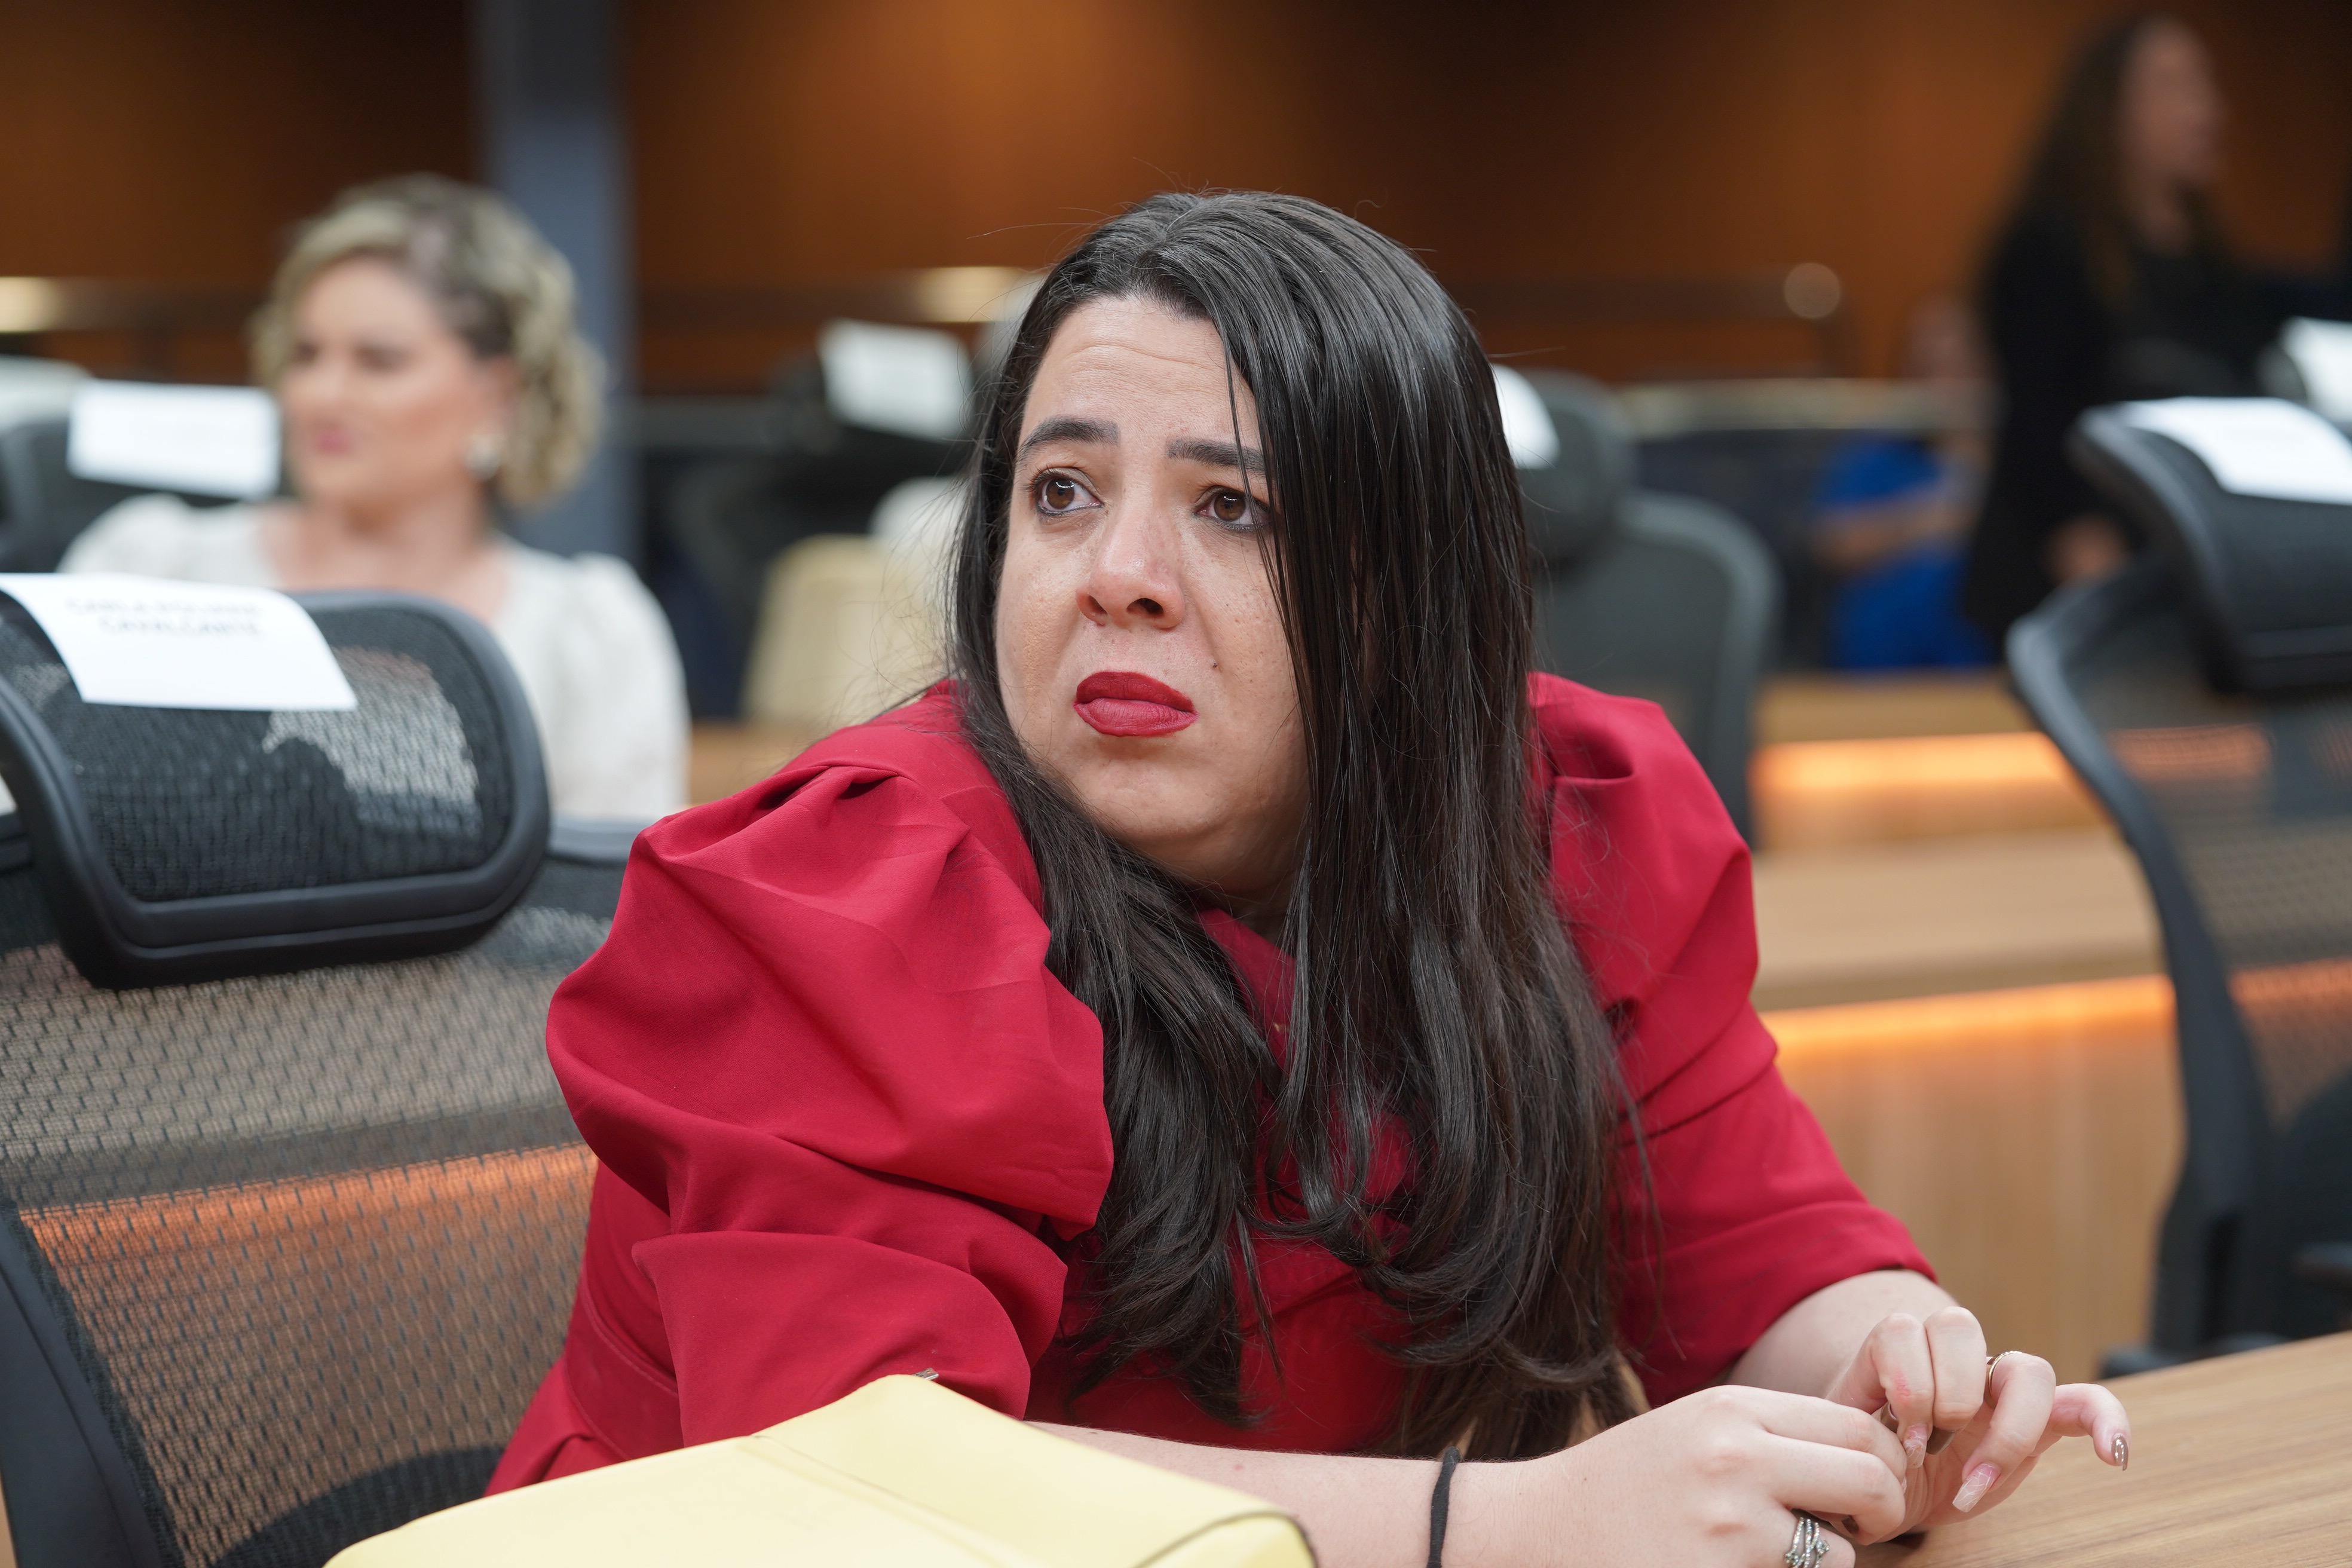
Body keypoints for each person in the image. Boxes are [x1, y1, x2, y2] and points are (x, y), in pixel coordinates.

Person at [494, 193, 2128, 1566]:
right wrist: (1512, 1524)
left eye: (1231, 508)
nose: (1119, 575)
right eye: (1062, 492)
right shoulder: (857, 888)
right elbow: (868, 1498)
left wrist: (1890, 1376)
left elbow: (1760, 1250)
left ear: (1407, 589)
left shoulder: (1565, 826)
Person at [62, 175, 688, 821]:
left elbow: (615, 879)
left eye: (379, 361)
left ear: (499, 395)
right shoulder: (153, 570)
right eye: (306, 355)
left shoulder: (588, 635)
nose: (322, 394)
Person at [1961, 13, 2286, 645]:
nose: (2206, 110)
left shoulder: (2218, 267)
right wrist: (2078, 532)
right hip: (2075, 566)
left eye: (2206, 86)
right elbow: (2036, 414)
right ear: (2110, 109)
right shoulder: (2052, 246)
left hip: (2188, 556)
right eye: (2175, 86)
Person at [1809, 298, 1992, 670]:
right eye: (1928, 370)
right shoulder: (1881, 447)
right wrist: (1929, 520)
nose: (1945, 386)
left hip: (1980, 660)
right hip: (1882, 660)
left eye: (1960, 368)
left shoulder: (2019, 454)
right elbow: (1834, 543)